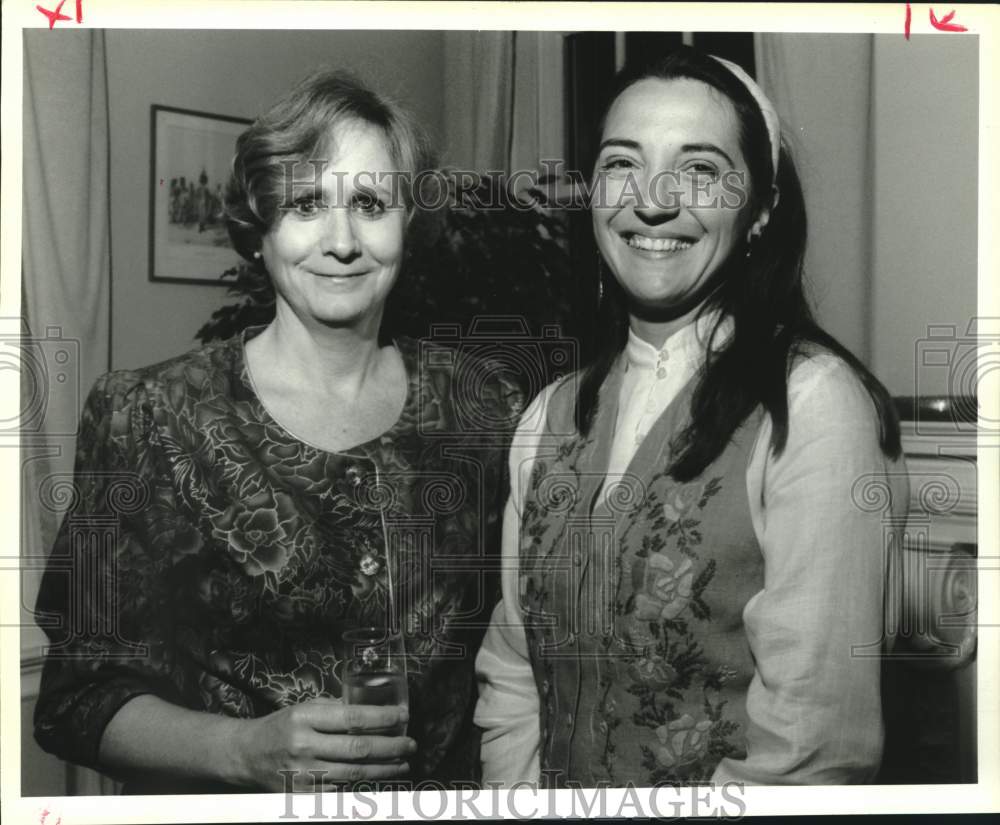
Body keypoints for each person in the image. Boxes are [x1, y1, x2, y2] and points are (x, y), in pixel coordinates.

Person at [34, 69, 521, 793]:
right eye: (304, 203)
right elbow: (77, 701)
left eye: (369, 202)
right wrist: (243, 749)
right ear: (258, 230)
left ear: (408, 227)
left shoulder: (486, 409)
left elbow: (516, 663)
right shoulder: (151, 415)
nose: (342, 239)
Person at [475, 46, 909, 787]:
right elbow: (514, 675)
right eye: (622, 163)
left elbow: (807, 752)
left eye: (701, 169)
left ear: (763, 207)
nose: (653, 199)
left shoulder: (812, 407)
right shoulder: (550, 414)